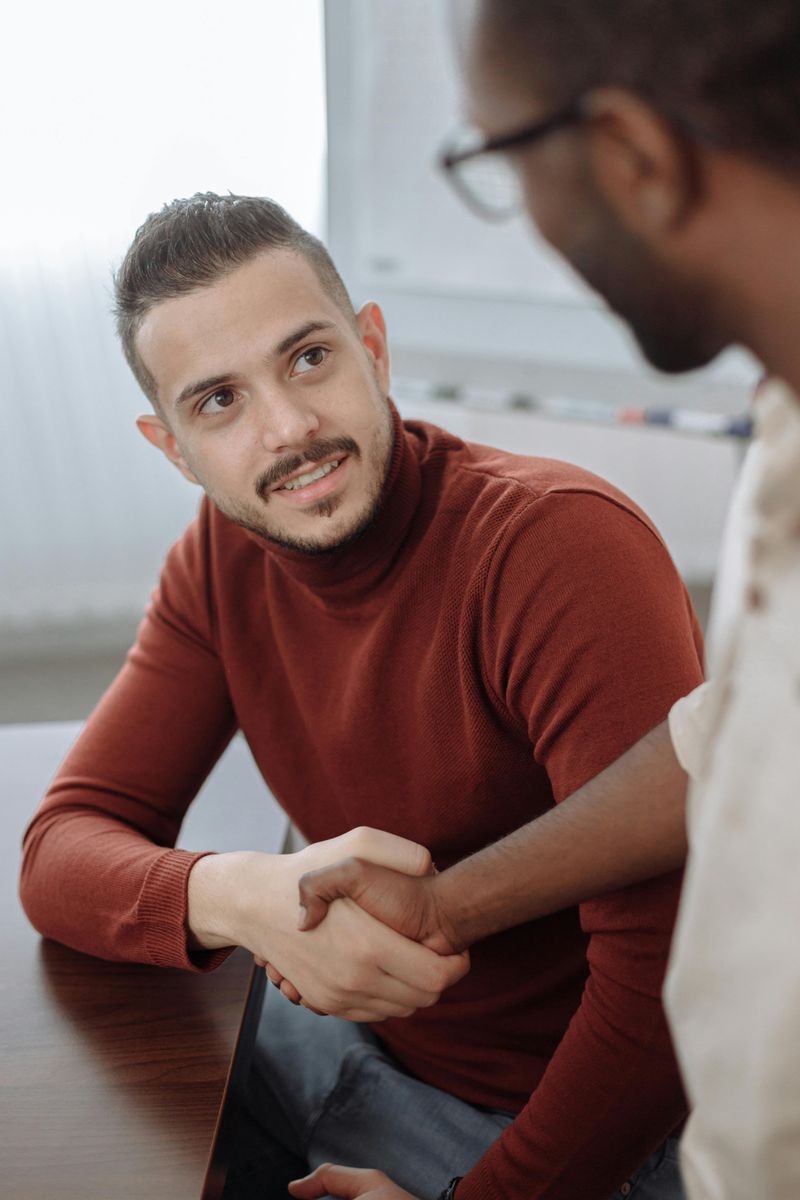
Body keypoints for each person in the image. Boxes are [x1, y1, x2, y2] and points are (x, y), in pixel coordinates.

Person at [18, 192, 705, 1200]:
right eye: (219, 402)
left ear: (371, 347)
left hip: (590, 1133)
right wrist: (242, 894)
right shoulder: (221, 556)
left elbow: (664, 994)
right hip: (356, 1056)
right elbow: (62, 849)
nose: (289, 430)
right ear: (171, 447)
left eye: (307, 359)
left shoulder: (557, 551)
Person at [290, 2, 800, 1198]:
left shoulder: (549, 538)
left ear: (633, 157)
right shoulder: (782, 409)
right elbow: (735, 732)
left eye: (499, 161)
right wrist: (446, 905)